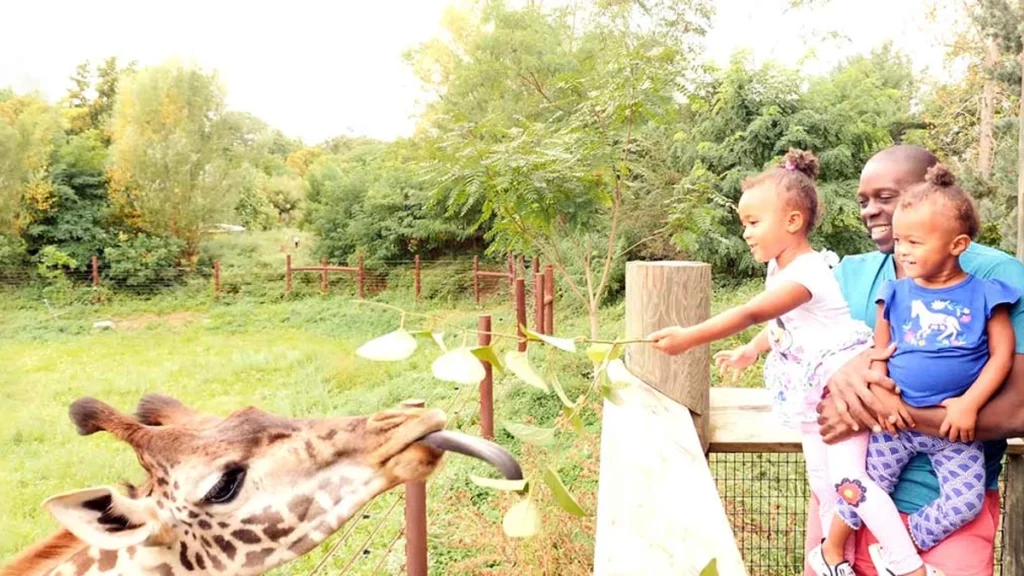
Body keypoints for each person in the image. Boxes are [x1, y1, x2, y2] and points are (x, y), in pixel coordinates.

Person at [646, 149, 921, 576]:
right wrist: (753, 349)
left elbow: (752, 312)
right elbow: (780, 323)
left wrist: (690, 337)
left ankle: (907, 565)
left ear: (792, 222)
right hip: (812, 394)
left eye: (753, 224)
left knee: (853, 483)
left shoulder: (808, 272)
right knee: (822, 482)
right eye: (744, 225)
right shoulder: (780, 268)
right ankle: (838, 561)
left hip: (841, 395)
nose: (746, 235)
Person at [806, 145, 1024, 576]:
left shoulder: (994, 277)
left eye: (886, 197)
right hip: (848, 500)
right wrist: (842, 369)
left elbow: (1018, 408)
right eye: (863, 201)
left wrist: (893, 411)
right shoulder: (849, 274)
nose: (870, 211)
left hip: (944, 501)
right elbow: (790, 349)